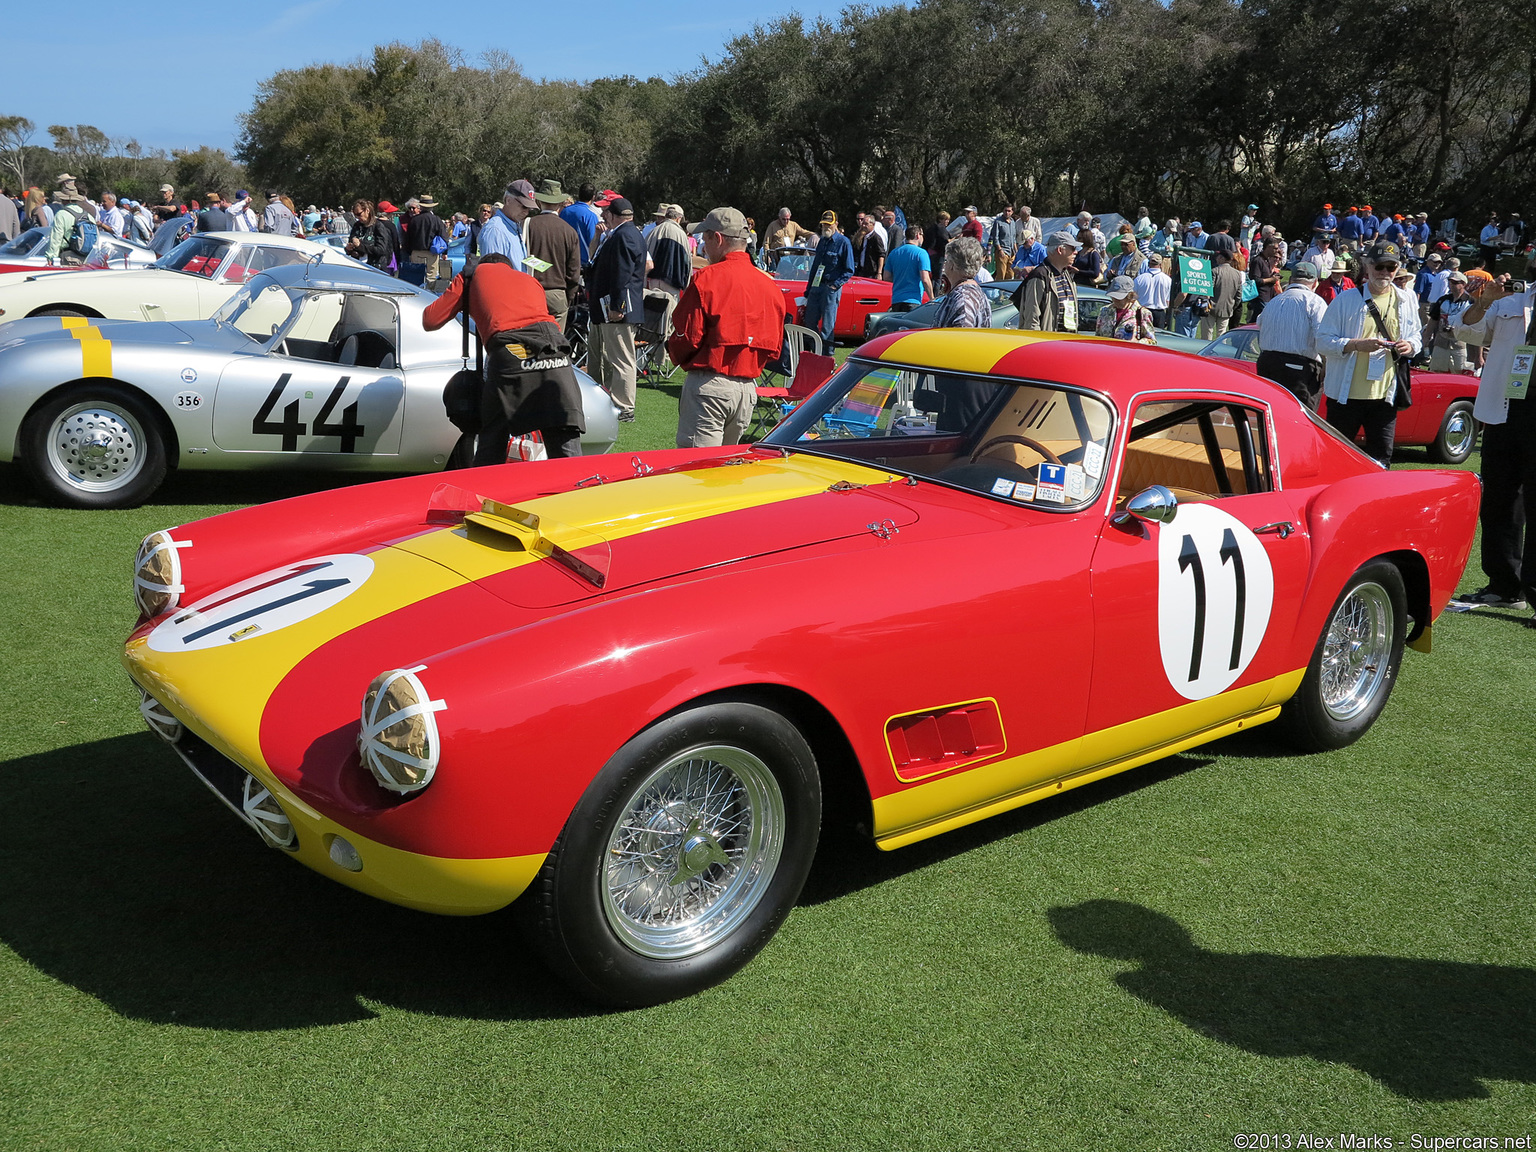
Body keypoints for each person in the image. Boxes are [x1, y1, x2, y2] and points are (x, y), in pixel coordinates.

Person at [424, 253, 585, 462]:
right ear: (508, 266)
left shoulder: (471, 276)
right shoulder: (529, 280)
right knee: (564, 437)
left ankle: (483, 491)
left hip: (510, 352)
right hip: (556, 351)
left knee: (492, 441)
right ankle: (576, 491)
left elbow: (430, 320)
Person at [1450, 270, 1536, 612]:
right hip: (1504, 408)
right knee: (1500, 498)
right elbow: (1465, 330)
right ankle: (1504, 585)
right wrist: (1484, 301)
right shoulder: (1510, 299)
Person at [666, 207, 788, 448]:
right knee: (725, 474)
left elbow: (688, 336)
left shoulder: (707, 278)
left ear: (718, 238)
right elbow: (774, 348)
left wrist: (675, 352)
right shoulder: (769, 285)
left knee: (697, 472)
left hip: (710, 384)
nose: (703, 246)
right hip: (746, 390)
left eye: (705, 238)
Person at [1317, 241, 1423, 466]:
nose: (1385, 273)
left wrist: (1410, 346)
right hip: (1346, 396)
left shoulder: (1406, 300)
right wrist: (1355, 345)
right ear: (1368, 266)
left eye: (1391, 268)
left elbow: (1417, 337)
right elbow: (1322, 342)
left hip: (1385, 396)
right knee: (1335, 458)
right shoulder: (1346, 299)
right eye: (1379, 266)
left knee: (1381, 459)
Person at [587, 196, 649, 423]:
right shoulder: (624, 233)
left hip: (619, 310)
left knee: (622, 359)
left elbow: (622, 274)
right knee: (615, 357)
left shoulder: (625, 235)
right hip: (613, 307)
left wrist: (617, 306)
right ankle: (615, 402)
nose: (603, 217)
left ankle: (624, 407)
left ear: (614, 215)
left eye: (606, 214)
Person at [1256, 262, 1328, 409]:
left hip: (1267, 363)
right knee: (1300, 416)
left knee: (1270, 412)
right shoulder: (1315, 302)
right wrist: (1326, 366)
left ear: (1290, 280)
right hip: (1298, 367)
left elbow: (1259, 324)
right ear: (1315, 283)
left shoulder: (1274, 301)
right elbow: (1322, 338)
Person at [527, 180, 583, 328]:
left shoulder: (528, 226)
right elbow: (573, 271)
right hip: (557, 293)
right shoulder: (569, 231)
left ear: (539, 202)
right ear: (559, 204)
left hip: (531, 290)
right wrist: (568, 297)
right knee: (555, 344)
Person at [802, 211, 854, 348]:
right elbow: (815, 266)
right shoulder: (822, 241)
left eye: (829, 225)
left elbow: (849, 270)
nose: (826, 227)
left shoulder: (844, 243)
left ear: (836, 224)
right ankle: (813, 353)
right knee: (810, 321)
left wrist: (835, 286)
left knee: (827, 326)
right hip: (816, 285)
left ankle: (827, 356)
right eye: (824, 224)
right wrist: (809, 289)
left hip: (831, 288)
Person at [1013, 229, 1081, 333]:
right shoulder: (1039, 276)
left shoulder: (1066, 274)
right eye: (1072, 248)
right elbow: (1032, 318)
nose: (1076, 252)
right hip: (1049, 344)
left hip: (1069, 343)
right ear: (1060, 250)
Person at [645, 204, 692, 350]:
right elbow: (687, 264)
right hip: (673, 283)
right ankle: (663, 352)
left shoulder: (654, 231)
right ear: (678, 218)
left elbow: (645, 256)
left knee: (651, 317)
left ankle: (648, 350)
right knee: (669, 320)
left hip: (652, 280)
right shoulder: (681, 235)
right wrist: (687, 285)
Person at [933, 237, 989, 327]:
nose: (944, 264)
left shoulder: (964, 298)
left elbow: (961, 337)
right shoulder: (973, 292)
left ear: (952, 265)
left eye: (946, 261)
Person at [478, 181, 534, 266]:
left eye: (529, 208)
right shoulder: (495, 231)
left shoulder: (514, 226)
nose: (526, 212)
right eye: (524, 206)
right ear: (508, 200)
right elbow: (492, 273)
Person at [1428, 271, 1473, 373]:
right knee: (1436, 370)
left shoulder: (1470, 302)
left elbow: (1477, 326)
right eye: (1450, 282)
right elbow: (1433, 320)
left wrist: (1479, 355)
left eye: (1455, 283)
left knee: (1460, 371)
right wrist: (1426, 338)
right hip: (1441, 342)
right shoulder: (1443, 300)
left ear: (1463, 284)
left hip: (1460, 343)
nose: (1452, 285)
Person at [404, 193, 450, 292]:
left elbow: (407, 238)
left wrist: (409, 252)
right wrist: (445, 252)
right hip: (432, 253)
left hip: (416, 252)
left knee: (416, 276)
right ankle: (428, 296)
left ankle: (417, 295)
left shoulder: (414, 220)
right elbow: (444, 237)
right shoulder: (437, 220)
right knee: (431, 277)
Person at [884, 224, 933, 312]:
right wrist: (932, 299)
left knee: (898, 325)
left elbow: (886, 277)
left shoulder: (894, 253)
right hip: (913, 300)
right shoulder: (921, 253)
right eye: (922, 235)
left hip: (896, 300)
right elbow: (925, 279)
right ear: (918, 235)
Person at [1096, 275, 1158, 343]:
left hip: (1128, 352)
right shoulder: (1104, 311)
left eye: (1119, 297)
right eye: (1113, 296)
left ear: (1129, 296)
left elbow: (1152, 341)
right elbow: (1097, 337)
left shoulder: (1142, 313)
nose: (1115, 299)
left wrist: (1137, 342)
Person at [1199, 250, 1244, 341]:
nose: (1216, 258)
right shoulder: (1237, 274)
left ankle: (1204, 354)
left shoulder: (1214, 271)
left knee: (1207, 335)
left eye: (1218, 256)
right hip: (1227, 308)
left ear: (1222, 258)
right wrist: (1232, 306)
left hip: (1210, 308)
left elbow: (1208, 290)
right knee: (1222, 337)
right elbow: (1239, 295)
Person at [345, 200, 395, 271]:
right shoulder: (357, 226)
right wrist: (348, 248)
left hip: (375, 268)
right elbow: (350, 244)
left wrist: (360, 246)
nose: (357, 217)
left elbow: (381, 250)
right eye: (355, 215)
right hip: (358, 267)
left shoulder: (378, 226)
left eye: (359, 214)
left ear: (367, 211)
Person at [559, 183, 601, 264]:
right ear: (593, 197)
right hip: (581, 262)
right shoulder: (591, 216)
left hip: (564, 259)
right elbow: (593, 241)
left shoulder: (565, 211)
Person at [1133, 253, 1172, 328]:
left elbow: (1133, 297)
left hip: (1143, 311)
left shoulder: (1139, 279)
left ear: (1148, 263)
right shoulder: (1167, 280)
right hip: (1159, 313)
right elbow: (1168, 301)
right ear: (1160, 264)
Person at [1248, 238, 1281, 323]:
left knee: (1260, 323)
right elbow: (1255, 280)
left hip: (1268, 296)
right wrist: (1272, 279)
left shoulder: (1266, 261)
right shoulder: (1258, 260)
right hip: (1260, 298)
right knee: (1257, 323)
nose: (1277, 250)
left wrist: (1273, 277)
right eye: (1275, 248)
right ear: (1269, 247)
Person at [851, 212, 886, 279]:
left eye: (866, 224)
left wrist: (879, 273)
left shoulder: (876, 238)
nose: (863, 226)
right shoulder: (863, 237)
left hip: (871, 273)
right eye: (863, 223)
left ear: (872, 224)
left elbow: (881, 255)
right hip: (861, 270)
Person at [991, 205, 1018, 280]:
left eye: (1009, 211)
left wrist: (1016, 251)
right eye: (1005, 210)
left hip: (1011, 252)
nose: (1007, 212)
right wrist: (1000, 250)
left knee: (1010, 273)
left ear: (1012, 212)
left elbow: (1014, 238)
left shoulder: (1013, 222)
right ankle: (999, 291)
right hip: (1002, 251)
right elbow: (995, 237)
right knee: (1001, 274)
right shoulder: (998, 222)